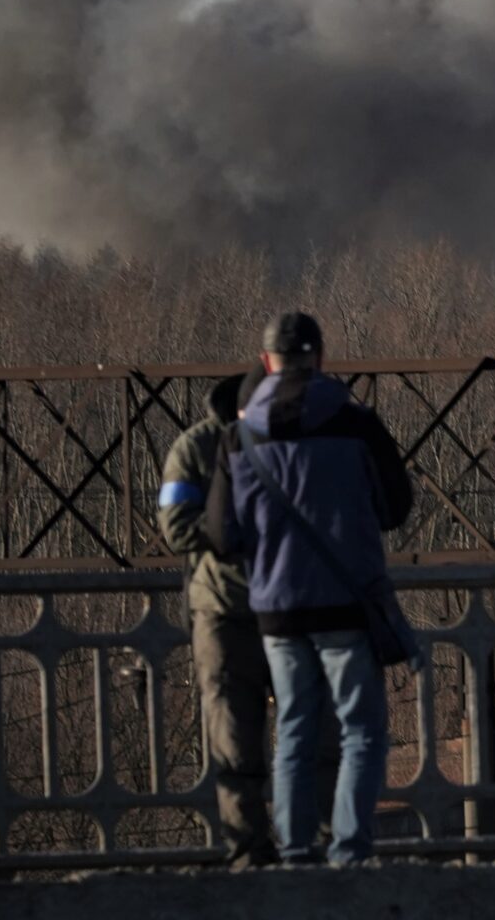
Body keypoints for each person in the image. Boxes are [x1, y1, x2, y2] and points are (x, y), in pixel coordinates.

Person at [207, 312, 413, 866]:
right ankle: (348, 854)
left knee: (294, 733)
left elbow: (222, 536)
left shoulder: (238, 435)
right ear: (321, 358)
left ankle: (295, 857)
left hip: (278, 610)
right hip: (347, 608)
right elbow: (396, 508)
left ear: (266, 360)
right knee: (362, 732)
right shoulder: (357, 424)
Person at [156, 369, 275, 866]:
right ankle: (250, 857)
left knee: (303, 742)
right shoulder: (197, 447)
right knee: (234, 745)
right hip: (226, 612)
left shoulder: (285, 438)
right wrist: (234, 527)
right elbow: (176, 528)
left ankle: (300, 849)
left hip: (281, 608)